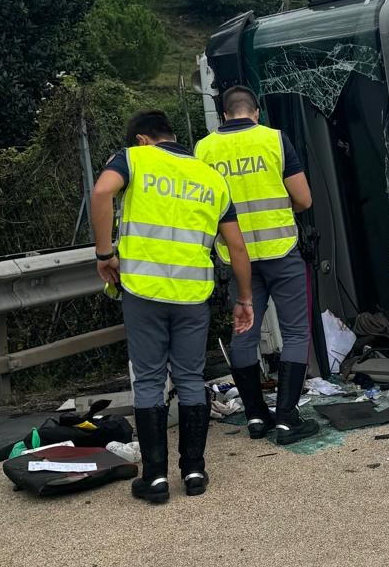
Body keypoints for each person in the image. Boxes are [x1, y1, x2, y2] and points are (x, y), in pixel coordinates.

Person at [90, 110, 254, 505]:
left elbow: (101, 193)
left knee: (148, 380)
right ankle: (195, 471)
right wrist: (244, 299)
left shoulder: (133, 158)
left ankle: (156, 478)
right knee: (191, 378)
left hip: (144, 290)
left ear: (143, 139)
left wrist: (104, 254)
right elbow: (236, 247)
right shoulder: (211, 178)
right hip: (192, 295)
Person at [194, 86, 318, 446]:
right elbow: (304, 198)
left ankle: (255, 416)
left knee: (244, 332)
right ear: (256, 112)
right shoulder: (275, 140)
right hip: (281, 249)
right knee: (295, 332)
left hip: (237, 259)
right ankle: (287, 418)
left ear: (223, 116)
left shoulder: (204, 149)